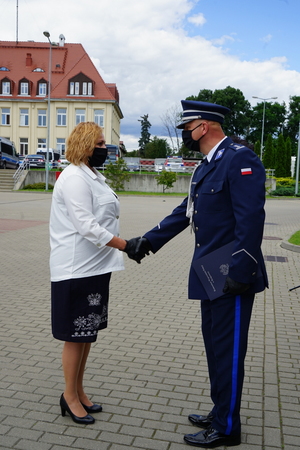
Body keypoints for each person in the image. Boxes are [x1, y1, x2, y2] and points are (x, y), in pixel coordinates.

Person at [128, 100, 268, 447]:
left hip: (231, 269)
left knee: (229, 349)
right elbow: (186, 211)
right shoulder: (209, 165)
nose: (186, 136)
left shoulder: (239, 159)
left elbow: (251, 220)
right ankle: (221, 409)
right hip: (210, 268)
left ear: (203, 126)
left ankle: (227, 428)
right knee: (215, 346)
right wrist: (148, 241)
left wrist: (241, 270)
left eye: (187, 128)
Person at [49, 121, 142, 425]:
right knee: (75, 337)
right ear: (85, 146)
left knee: (86, 334)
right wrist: (125, 245)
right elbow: (86, 225)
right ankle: (69, 396)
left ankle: (78, 390)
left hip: (97, 267)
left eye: (104, 143)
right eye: (100, 144)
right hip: (76, 269)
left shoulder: (93, 176)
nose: (105, 148)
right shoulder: (74, 178)